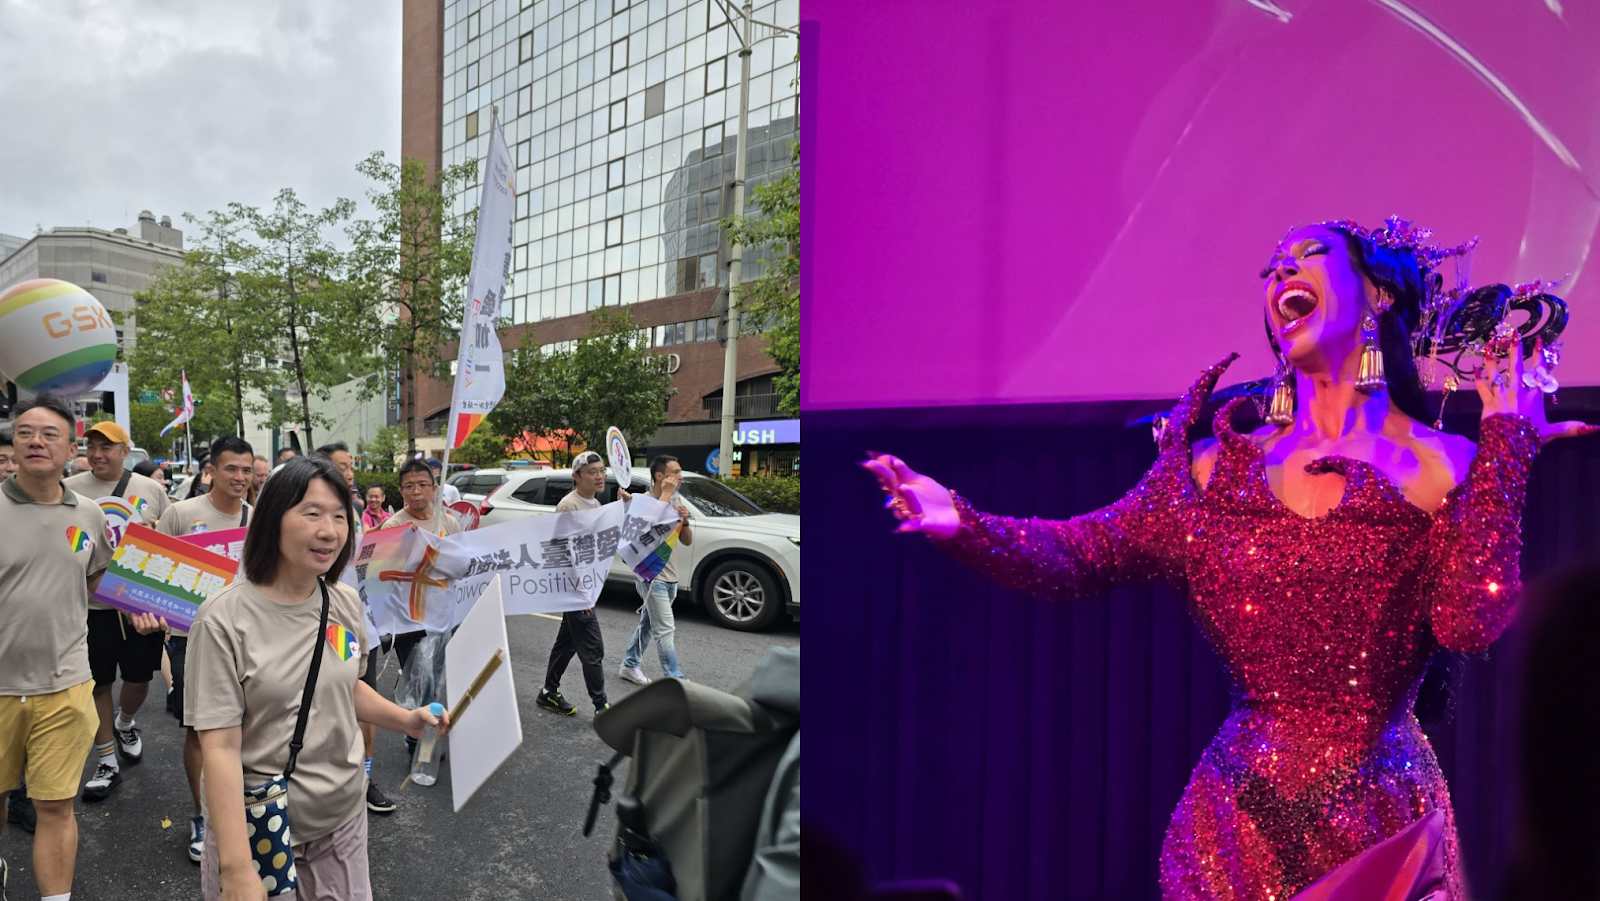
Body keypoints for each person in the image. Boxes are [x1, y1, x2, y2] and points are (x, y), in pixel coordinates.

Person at [865, 218, 1596, 899]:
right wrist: (960, 520)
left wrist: (1507, 445)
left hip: (1385, 819)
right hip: (1236, 822)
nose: (1282, 273)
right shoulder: (1215, 470)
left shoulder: (1442, 462)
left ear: (1376, 293)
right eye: (1272, 268)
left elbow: (1471, 620)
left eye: (1306, 257)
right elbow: (1086, 550)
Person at [185, 455, 446, 901]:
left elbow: (344, 686)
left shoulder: (344, 602)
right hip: (258, 827)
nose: (330, 531)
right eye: (312, 514)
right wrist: (237, 866)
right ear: (272, 520)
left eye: (340, 516)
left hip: (342, 818)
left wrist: (407, 719)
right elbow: (220, 747)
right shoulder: (222, 619)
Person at [0, 393, 115, 901]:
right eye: (25, 432)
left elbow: (97, 581)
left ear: (72, 448)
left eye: (49, 434)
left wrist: (143, 606)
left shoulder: (90, 515)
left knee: (54, 807)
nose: (35, 441)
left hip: (66, 684)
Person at [154, 436, 256, 864]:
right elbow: (151, 570)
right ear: (211, 470)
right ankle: (202, 815)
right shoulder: (181, 513)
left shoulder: (261, 516)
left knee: (249, 728)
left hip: (249, 636)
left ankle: (246, 810)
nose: (240, 478)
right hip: (189, 637)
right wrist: (151, 615)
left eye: (247, 470)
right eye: (231, 468)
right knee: (199, 731)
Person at [64, 420, 172, 802]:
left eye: (106, 447)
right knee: (99, 682)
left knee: (140, 680)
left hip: (141, 607)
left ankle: (126, 723)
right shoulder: (70, 491)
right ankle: (107, 760)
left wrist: (154, 529)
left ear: (125, 451)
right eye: (90, 446)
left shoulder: (152, 490)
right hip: (92, 606)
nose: (96, 454)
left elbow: (172, 543)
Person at [314, 440, 392, 814]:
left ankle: (365, 777)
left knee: (361, 697)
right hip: (316, 625)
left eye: (350, 466)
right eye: (341, 466)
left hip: (353, 628)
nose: (348, 473)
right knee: (320, 701)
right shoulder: (305, 513)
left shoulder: (357, 510)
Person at [376, 458, 463, 752]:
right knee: (417, 680)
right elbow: (383, 573)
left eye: (422, 485)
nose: (416, 492)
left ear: (434, 488)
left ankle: (426, 730)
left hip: (442, 616)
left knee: (436, 678)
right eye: (409, 487)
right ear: (401, 492)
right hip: (409, 620)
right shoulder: (395, 525)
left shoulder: (447, 521)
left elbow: (461, 562)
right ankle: (416, 739)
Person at [536, 451, 618, 715]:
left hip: (588, 586)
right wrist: (581, 591)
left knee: (568, 641)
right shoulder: (568, 506)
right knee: (593, 647)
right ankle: (601, 706)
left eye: (602, 470)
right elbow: (560, 551)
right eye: (592, 472)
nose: (599, 476)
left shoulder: (593, 504)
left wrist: (621, 506)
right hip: (575, 588)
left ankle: (548, 692)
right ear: (576, 476)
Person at [619, 455, 695, 685]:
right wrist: (666, 495)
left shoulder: (674, 500)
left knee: (649, 625)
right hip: (651, 576)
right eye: (676, 472)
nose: (681, 476)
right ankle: (675, 679)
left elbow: (687, 541)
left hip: (670, 575)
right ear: (660, 476)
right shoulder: (642, 500)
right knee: (665, 629)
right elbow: (646, 526)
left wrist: (685, 520)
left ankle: (629, 665)